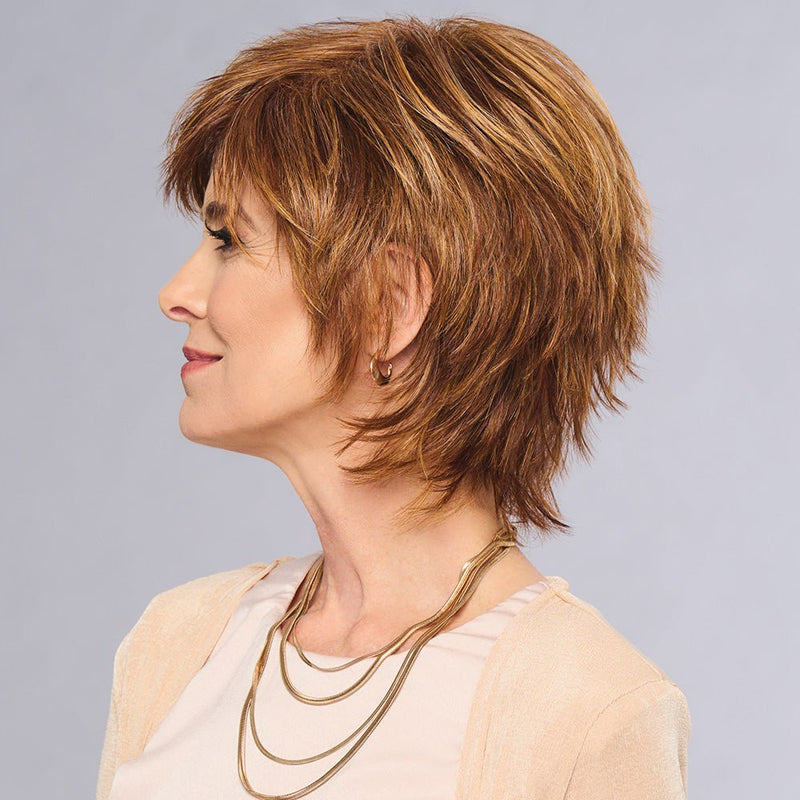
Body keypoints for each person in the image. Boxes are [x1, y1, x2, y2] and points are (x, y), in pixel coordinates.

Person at [96, 14, 690, 800]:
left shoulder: (586, 712)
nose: (176, 293)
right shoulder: (178, 645)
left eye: (230, 240)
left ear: (389, 303)